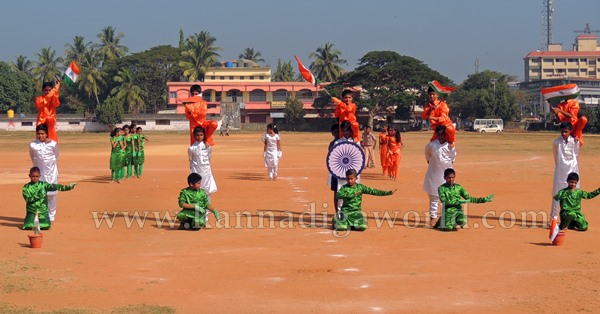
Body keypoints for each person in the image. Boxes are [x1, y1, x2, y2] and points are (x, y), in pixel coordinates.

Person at [423, 125, 457, 226]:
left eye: (443, 134)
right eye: (439, 134)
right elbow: (427, 156)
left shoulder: (450, 146)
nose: (441, 136)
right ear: (436, 134)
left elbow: (453, 158)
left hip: (446, 175)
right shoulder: (431, 145)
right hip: (433, 174)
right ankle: (433, 218)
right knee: (434, 197)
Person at [29, 124, 60, 222]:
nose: (40, 136)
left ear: (47, 134)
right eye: (38, 134)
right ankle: (42, 215)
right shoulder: (33, 145)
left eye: (42, 134)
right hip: (39, 175)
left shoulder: (53, 144)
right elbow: (32, 157)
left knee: (52, 195)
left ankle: (51, 216)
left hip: (51, 173)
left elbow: (56, 156)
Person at [550, 122, 580, 219]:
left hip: (572, 170)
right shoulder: (556, 142)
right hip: (560, 172)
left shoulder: (575, 142)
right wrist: (560, 165)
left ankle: (573, 218)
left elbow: (576, 154)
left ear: (570, 132)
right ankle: (553, 218)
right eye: (562, 131)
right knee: (557, 194)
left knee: (574, 195)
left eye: (566, 132)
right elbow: (555, 156)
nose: (563, 134)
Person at [189, 126, 217, 202]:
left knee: (207, 188)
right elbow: (191, 160)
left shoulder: (207, 146)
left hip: (206, 170)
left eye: (201, 135)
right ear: (194, 136)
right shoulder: (191, 148)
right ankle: (198, 209)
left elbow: (209, 157)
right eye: (197, 135)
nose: (199, 137)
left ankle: (206, 211)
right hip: (196, 170)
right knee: (197, 188)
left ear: (204, 135)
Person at [327, 123, 340, 215]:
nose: (337, 134)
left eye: (338, 132)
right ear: (332, 133)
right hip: (336, 171)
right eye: (335, 132)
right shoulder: (332, 144)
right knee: (336, 192)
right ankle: (337, 212)